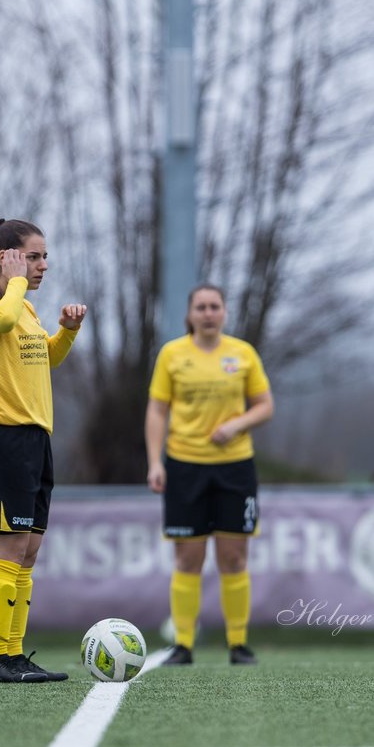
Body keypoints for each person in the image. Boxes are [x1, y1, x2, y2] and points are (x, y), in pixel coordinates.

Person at [0, 217, 87, 683]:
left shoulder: (28, 311)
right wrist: (15, 284)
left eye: (44, 256)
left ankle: (14, 656)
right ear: (7, 258)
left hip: (36, 440)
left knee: (29, 551)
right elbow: (1, 319)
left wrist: (67, 332)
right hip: (1, 440)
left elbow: (46, 358)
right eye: (33, 256)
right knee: (8, 550)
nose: (43, 266)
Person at [145, 284, 274, 666]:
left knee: (234, 558)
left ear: (224, 312)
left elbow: (265, 406)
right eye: (200, 306)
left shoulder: (242, 353)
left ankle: (238, 644)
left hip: (235, 468)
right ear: (190, 314)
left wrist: (237, 426)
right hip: (185, 466)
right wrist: (156, 462)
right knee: (188, 559)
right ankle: (183, 644)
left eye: (214, 306)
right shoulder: (172, 354)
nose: (207, 313)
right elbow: (156, 411)